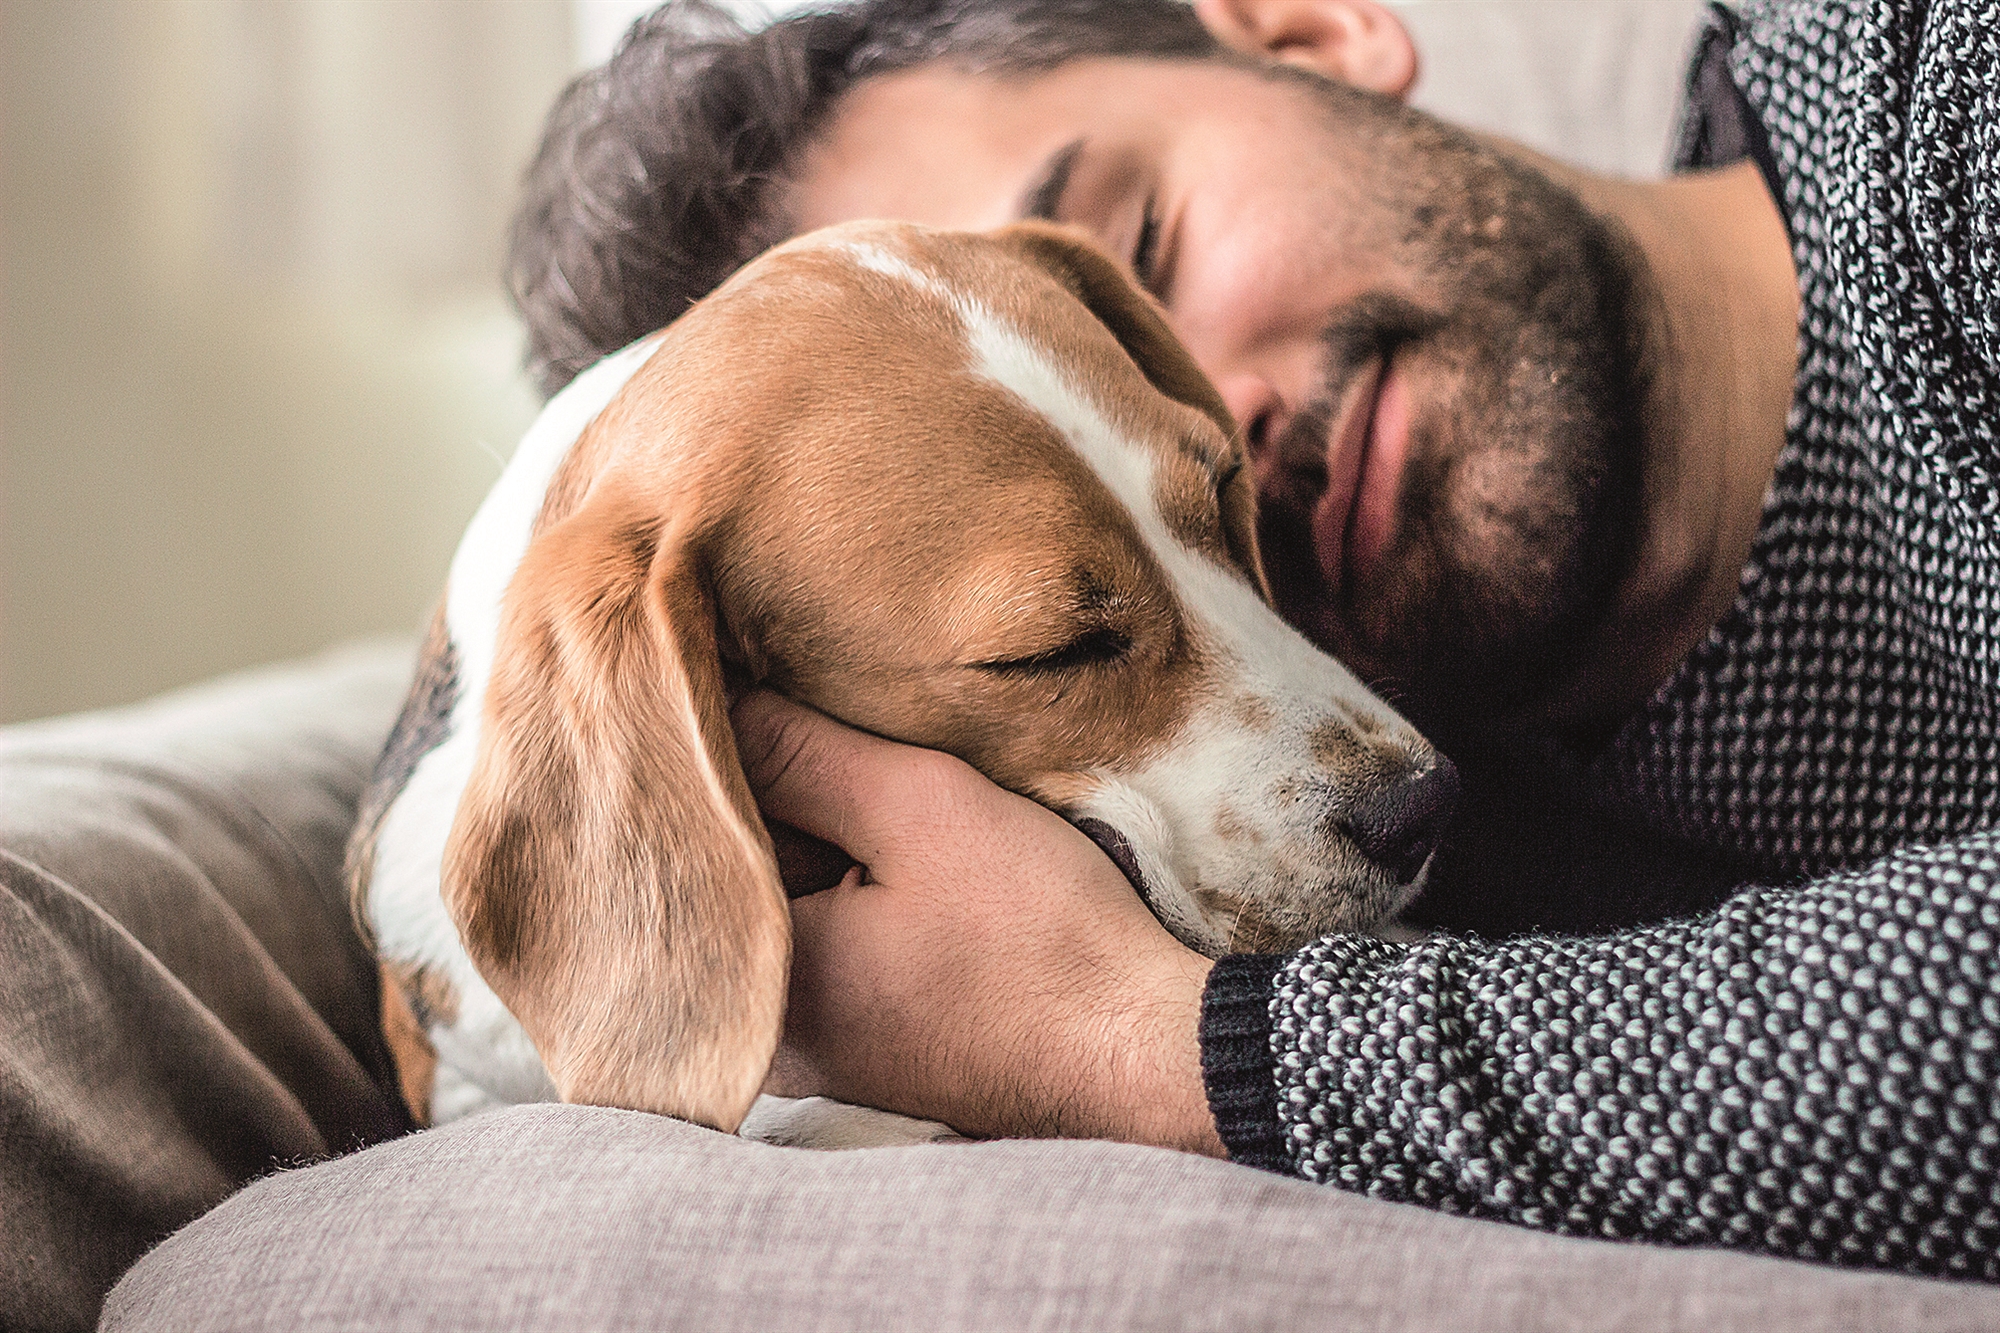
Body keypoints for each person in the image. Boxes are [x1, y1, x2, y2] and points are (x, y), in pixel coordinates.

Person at [507, 0, 2000, 1278]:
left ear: (1300, 25)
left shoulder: (1941, 95)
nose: (1215, 422)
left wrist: (1160, 1044)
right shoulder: (1408, 825)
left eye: (1131, 259)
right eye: (1049, 624)